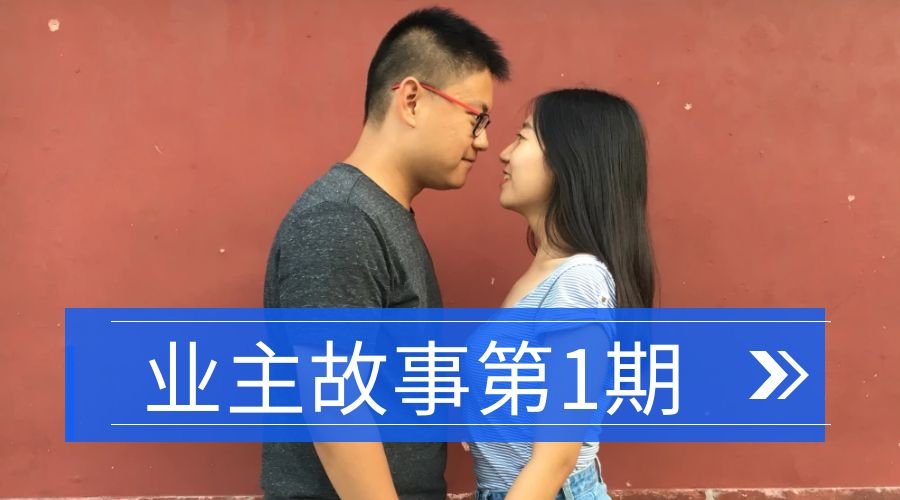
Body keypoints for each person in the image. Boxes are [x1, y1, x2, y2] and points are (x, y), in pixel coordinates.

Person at [260, 7, 509, 500]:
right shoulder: (341, 219)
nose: (483, 141)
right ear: (412, 99)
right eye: (475, 117)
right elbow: (335, 408)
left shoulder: (380, 216)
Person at [468, 88, 656, 500]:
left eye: (521, 137)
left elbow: (555, 459)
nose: (503, 154)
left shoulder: (577, 282)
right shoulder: (547, 277)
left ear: (567, 161)